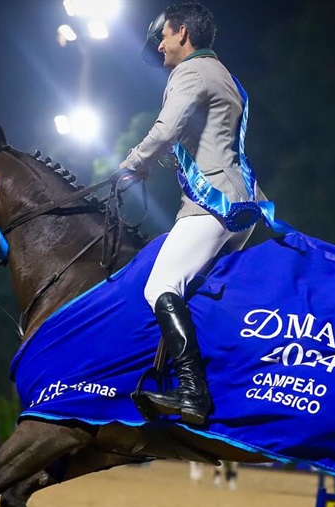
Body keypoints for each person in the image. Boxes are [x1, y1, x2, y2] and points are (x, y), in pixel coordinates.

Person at [120, 3, 289, 425]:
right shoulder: (225, 74)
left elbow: (165, 128)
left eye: (163, 36)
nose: (159, 46)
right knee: (192, 293)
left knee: (159, 284)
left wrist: (131, 165)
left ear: (181, 32)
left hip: (211, 204)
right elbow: (205, 137)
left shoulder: (189, 72)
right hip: (242, 204)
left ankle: (194, 394)